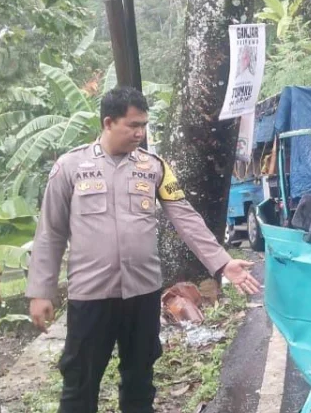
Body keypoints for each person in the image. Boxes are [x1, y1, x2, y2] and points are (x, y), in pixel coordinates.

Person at [26, 87, 262, 413]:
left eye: (144, 125)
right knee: (79, 384)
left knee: (140, 382)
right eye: (133, 125)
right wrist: (41, 291)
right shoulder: (70, 168)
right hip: (91, 295)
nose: (140, 133)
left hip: (142, 293)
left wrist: (222, 264)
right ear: (108, 122)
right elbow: (50, 232)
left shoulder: (154, 167)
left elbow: (186, 218)